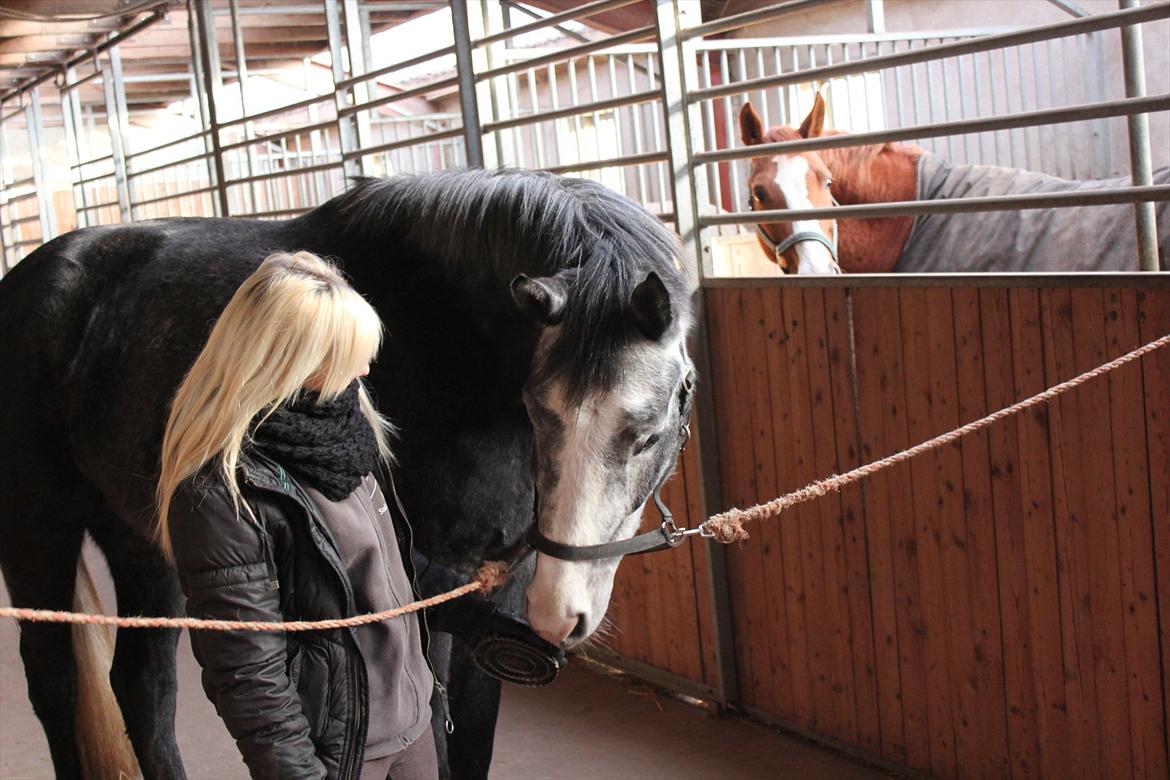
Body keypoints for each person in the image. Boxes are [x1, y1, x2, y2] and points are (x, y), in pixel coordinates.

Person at [156, 251, 438, 780]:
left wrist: (476, 605)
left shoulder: (346, 429)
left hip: (412, 723)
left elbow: (381, 565)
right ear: (294, 360)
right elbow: (246, 673)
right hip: (340, 754)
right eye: (349, 354)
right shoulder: (220, 492)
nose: (366, 367)